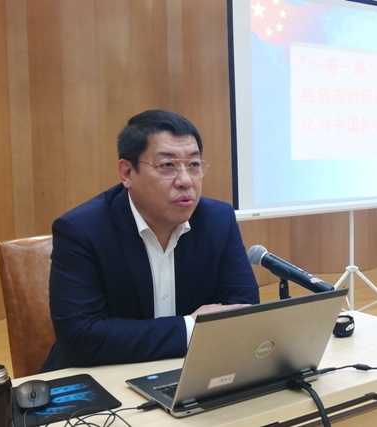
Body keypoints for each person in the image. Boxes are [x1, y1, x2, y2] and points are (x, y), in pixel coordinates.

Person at [42, 109, 260, 372]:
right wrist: (190, 327)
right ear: (127, 173)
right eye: (167, 165)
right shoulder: (82, 230)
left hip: (193, 371)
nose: (185, 180)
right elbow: (81, 338)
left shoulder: (218, 220)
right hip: (102, 375)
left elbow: (242, 311)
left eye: (194, 164)